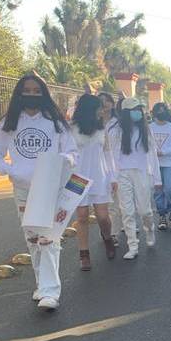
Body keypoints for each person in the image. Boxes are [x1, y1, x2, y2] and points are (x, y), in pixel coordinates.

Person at [0, 73, 78, 310]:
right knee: (33, 239)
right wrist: (10, 170)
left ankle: (50, 292)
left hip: (49, 187)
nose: (32, 95)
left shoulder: (55, 122)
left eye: (37, 91)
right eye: (27, 91)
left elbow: (72, 152)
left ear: (44, 94)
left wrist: (60, 161)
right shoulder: (10, 122)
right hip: (23, 189)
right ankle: (42, 285)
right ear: (19, 94)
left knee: (48, 238)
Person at [108, 97, 161, 259]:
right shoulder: (116, 131)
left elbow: (153, 155)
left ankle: (149, 229)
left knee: (144, 211)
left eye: (139, 109)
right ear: (126, 112)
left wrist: (157, 179)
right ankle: (133, 245)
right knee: (127, 211)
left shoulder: (146, 130)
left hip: (142, 172)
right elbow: (111, 156)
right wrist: (112, 178)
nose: (138, 112)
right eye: (134, 110)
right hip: (122, 174)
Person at [70, 94, 117, 270]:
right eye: (98, 108)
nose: (101, 111)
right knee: (82, 217)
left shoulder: (101, 129)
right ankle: (84, 254)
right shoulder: (71, 129)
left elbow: (108, 153)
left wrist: (113, 177)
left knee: (103, 217)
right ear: (89, 109)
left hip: (99, 177)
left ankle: (107, 238)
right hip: (77, 178)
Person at [150, 102, 171, 230]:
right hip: (154, 164)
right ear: (154, 113)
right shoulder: (149, 128)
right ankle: (162, 215)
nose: (161, 113)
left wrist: (163, 152)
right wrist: (153, 153)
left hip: (169, 163)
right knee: (158, 190)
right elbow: (145, 144)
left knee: (169, 188)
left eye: (163, 110)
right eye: (158, 111)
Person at [99, 92, 123, 246]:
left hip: (116, 165)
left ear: (112, 104)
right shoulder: (93, 123)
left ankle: (113, 233)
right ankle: (106, 230)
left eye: (107, 101)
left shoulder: (118, 123)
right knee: (103, 203)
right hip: (99, 166)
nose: (104, 104)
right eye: (101, 101)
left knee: (115, 201)